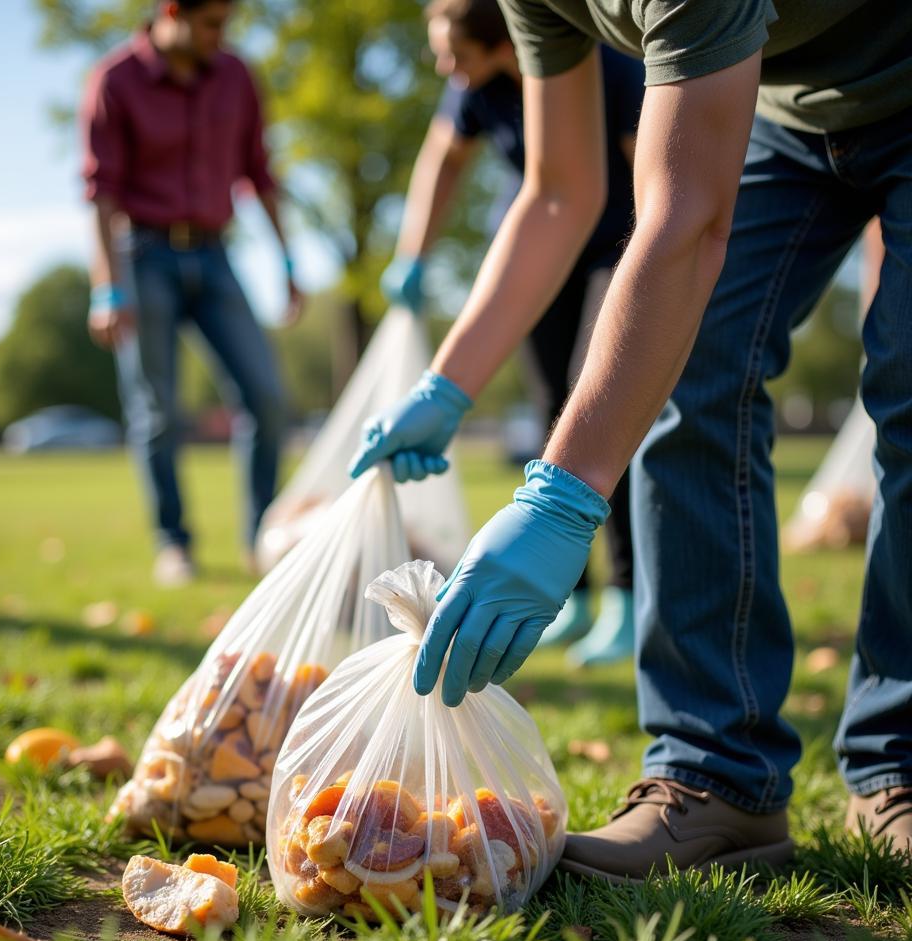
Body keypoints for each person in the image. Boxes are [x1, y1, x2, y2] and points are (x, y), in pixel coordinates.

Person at [351, 0, 912, 874]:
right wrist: (447, 382)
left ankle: (900, 763)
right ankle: (717, 776)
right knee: (678, 366)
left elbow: (684, 222)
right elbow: (557, 191)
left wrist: (561, 497)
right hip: (783, 110)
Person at [381, 0, 643, 666]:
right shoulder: (475, 89)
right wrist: (413, 253)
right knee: (553, 404)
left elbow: (649, 174)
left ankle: (627, 595)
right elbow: (442, 161)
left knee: (603, 405)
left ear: (500, 40)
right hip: (542, 251)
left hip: (618, 244)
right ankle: (572, 598)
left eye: (452, 50)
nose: (444, 66)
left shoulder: (603, 65)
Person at [81, 0, 302, 586]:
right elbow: (100, 192)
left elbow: (260, 171)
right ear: (172, 11)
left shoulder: (235, 76)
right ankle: (173, 543)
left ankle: (261, 539)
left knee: (267, 398)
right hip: (143, 255)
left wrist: (286, 259)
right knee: (155, 411)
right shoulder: (115, 80)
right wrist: (107, 286)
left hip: (216, 253)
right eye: (211, 24)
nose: (220, 37)